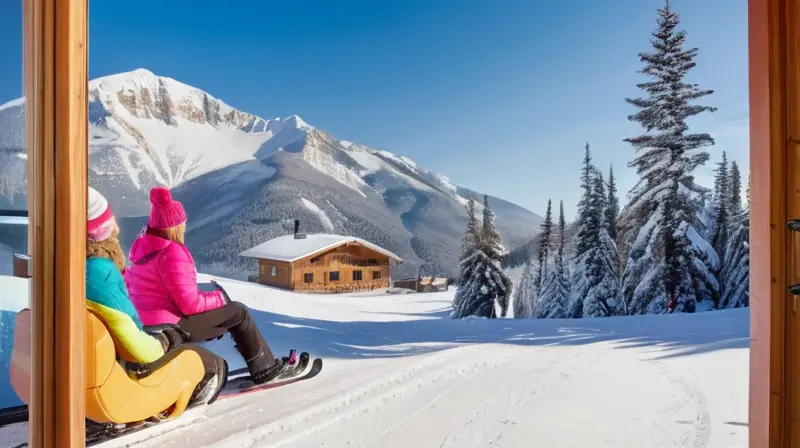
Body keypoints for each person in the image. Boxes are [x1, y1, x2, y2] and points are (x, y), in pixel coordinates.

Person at [124, 186, 286, 384]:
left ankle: (258, 363)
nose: (184, 227)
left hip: (146, 325)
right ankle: (264, 368)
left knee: (229, 313)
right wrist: (219, 298)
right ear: (174, 226)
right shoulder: (171, 253)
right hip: (171, 327)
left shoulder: (142, 250)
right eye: (182, 223)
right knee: (237, 312)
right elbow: (189, 305)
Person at [85, 186, 225, 405]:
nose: (117, 227)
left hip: (116, 350)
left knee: (180, 338)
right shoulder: (101, 274)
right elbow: (127, 333)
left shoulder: (83, 269)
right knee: (214, 365)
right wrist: (160, 342)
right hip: (136, 360)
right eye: (110, 219)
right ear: (102, 230)